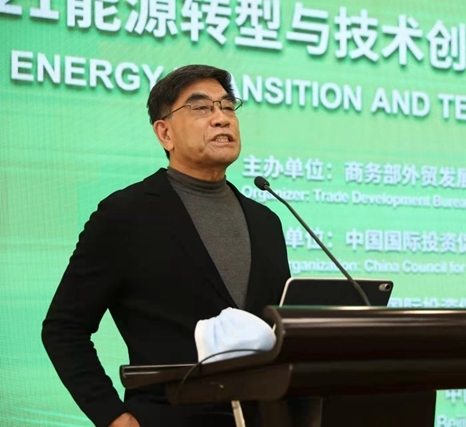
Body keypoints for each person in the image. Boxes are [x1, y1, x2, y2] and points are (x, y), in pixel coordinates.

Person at [41, 65, 291, 427]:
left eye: (227, 106)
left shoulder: (266, 221)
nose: (221, 118)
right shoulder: (126, 215)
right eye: (201, 108)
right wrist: (112, 416)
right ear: (165, 133)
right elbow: (64, 328)